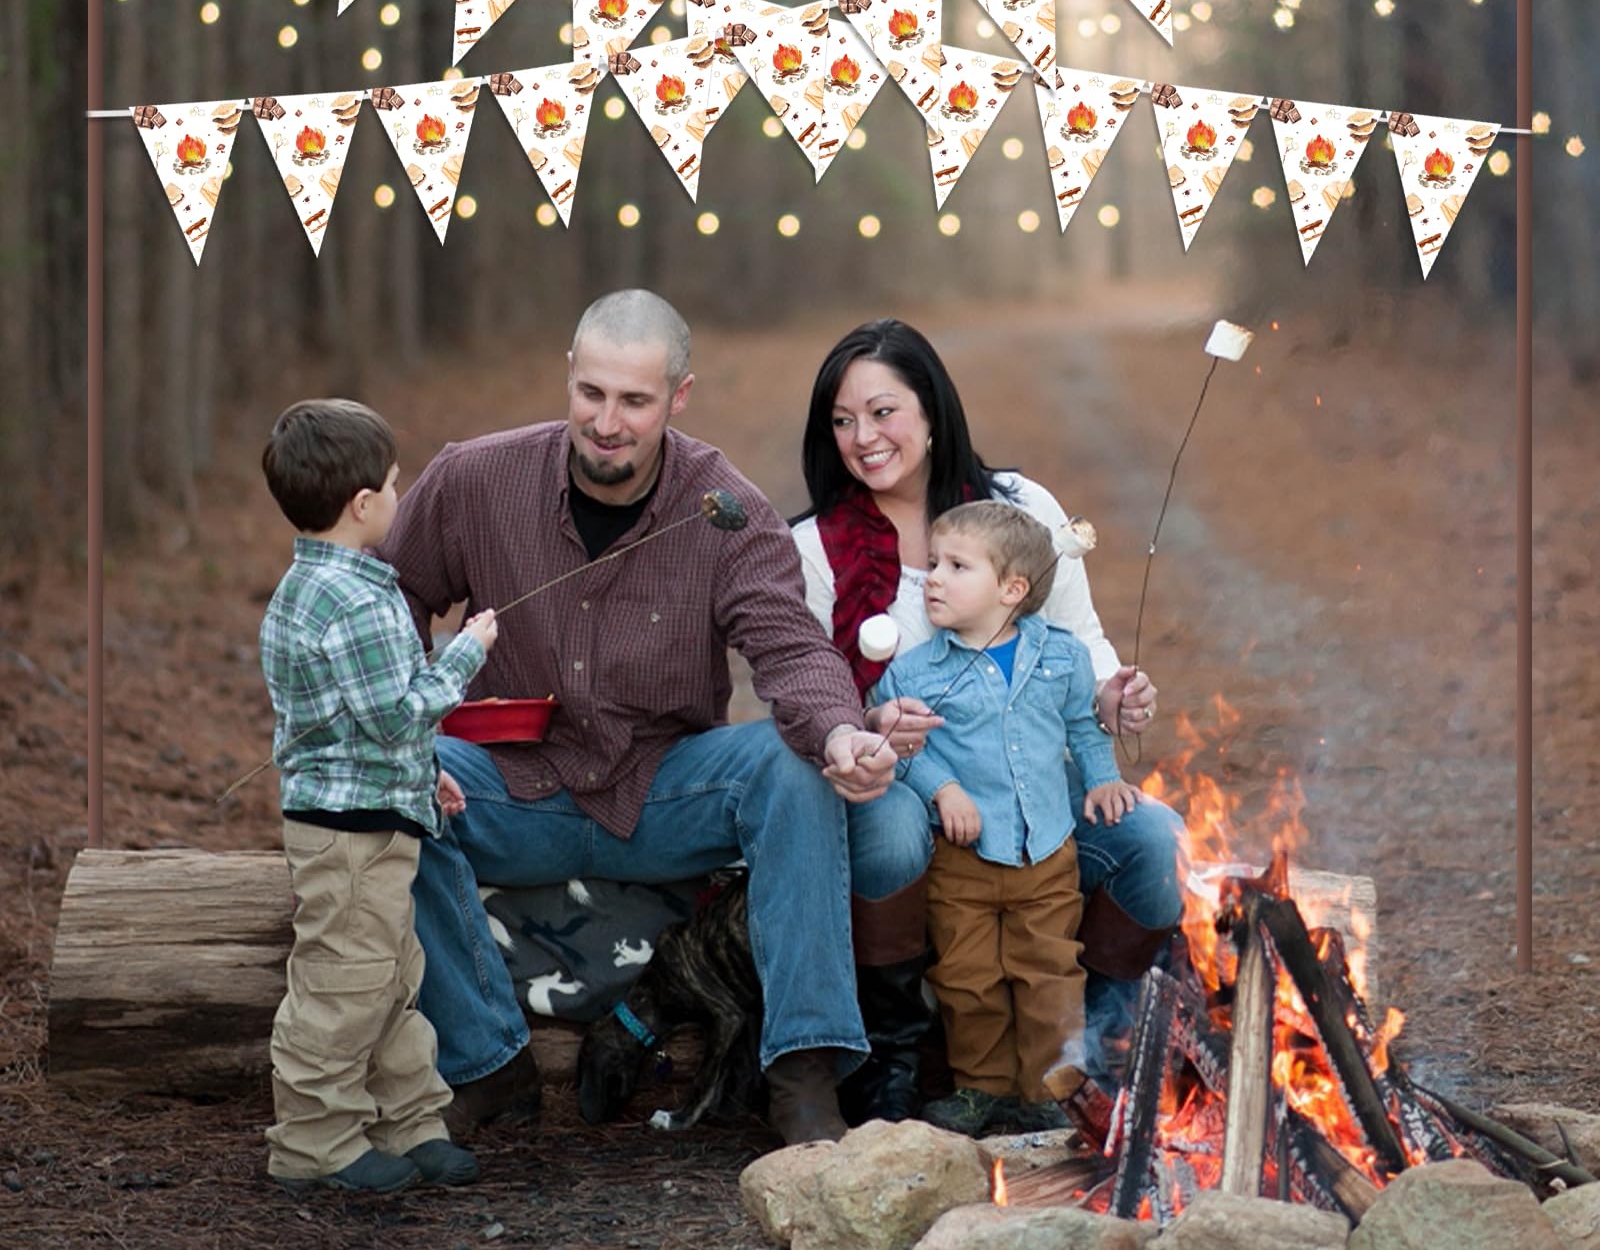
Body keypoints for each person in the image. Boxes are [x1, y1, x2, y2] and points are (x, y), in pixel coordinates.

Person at [376, 291, 921, 1147]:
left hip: (664, 786)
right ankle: (488, 1065)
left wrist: (839, 731)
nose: (607, 422)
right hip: (512, 781)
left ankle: (804, 1070)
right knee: (386, 784)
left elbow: (790, 648)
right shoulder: (474, 479)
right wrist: (404, 733)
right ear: (568, 377)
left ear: (679, 396)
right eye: (591, 393)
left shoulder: (725, 508)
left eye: (634, 401)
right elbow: (392, 597)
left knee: (792, 765)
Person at [791, 319, 1187, 1093]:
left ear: (933, 412)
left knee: (1155, 842)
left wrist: (1112, 696)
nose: (861, 437)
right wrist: (870, 728)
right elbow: (811, 696)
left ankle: (1090, 1044)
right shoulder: (814, 548)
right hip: (905, 795)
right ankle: (896, 1052)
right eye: (841, 420)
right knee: (897, 823)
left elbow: (1081, 645)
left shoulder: (1017, 508)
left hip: (1027, 787)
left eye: (882, 412)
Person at [259, 399, 496, 1198]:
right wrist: (466, 655)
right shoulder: (356, 602)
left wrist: (423, 773)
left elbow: (359, 726)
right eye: (395, 484)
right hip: (349, 836)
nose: (402, 496)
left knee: (395, 977)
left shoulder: (320, 584)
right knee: (343, 986)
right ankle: (314, 1139)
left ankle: (410, 1122)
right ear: (363, 505)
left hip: (374, 813)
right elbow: (397, 710)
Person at [868, 500, 1141, 1137]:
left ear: (1012, 589)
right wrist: (944, 791)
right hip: (963, 859)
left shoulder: (1062, 658)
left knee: (1048, 971)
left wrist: (1101, 777)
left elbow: (1082, 725)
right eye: (934, 562)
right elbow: (902, 750)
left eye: (956, 566)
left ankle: (1048, 1091)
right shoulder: (914, 671)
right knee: (969, 977)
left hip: (1046, 853)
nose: (932, 577)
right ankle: (980, 1087)